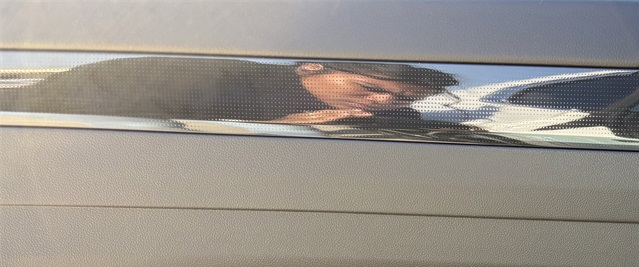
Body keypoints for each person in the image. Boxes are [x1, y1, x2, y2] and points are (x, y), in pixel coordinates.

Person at [0, 56, 458, 125]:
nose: (383, 102)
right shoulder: (209, 79)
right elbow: (113, 129)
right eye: (370, 87)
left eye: (404, 98)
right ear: (310, 66)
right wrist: (287, 125)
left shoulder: (390, 117)